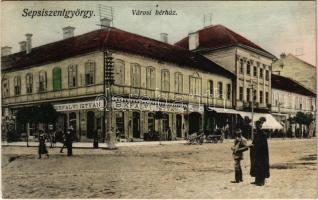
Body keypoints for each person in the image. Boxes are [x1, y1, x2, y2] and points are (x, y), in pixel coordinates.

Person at [250, 119, 270, 186]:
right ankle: (256, 180)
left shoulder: (263, 134)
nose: (256, 127)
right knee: (256, 166)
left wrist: (254, 146)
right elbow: (255, 142)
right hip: (257, 153)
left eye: (257, 125)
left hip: (262, 154)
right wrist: (252, 145)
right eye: (256, 126)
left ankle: (261, 181)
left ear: (260, 126)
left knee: (261, 166)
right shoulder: (257, 134)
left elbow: (262, 145)